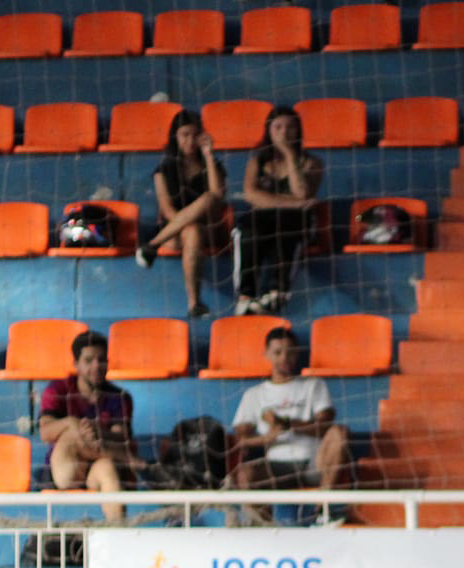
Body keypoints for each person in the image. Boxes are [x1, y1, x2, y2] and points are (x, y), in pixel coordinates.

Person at [228, 327, 349, 493]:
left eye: (289, 352)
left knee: (339, 432)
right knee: (245, 474)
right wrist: (268, 437)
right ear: (266, 354)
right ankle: (263, 520)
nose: (284, 358)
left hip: (314, 462)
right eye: (277, 353)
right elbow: (240, 438)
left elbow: (326, 424)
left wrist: (286, 423)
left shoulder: (313, 385)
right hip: (276, 465)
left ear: (297, 353)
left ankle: (323, 508)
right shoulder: (254, 394)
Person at [135, 110, 227, 318]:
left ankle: (152, 245)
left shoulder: (212, 165)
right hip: (175, 231)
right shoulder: (163, 170)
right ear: (175, 137)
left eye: (195, 134)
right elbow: (167, 210)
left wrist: (209, 155)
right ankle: (195, 303)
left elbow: (218, 195)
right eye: (184, 134)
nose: (190, 140)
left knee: (209, 198)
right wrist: (187, 222)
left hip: (211, 227)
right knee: (192, 230)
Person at [39, 329, 136, 522]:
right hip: (66, 468)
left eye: (101, 360)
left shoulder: (120, 397)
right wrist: (72, 423)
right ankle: (129, 460)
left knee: (108, 468)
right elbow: (45, 432)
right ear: (76, 365)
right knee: (71, 431)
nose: (97, 366)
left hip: (97, 466)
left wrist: (94, 432)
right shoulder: (57, 390)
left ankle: (118, 534)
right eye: (89, 360)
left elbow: (121, 436)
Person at [235, 105, 323, 315]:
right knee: (247, 229)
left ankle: (277, 292)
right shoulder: (257, 162)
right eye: (278, 127)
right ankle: (246, 297)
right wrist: (292, 202)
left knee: (287, 228)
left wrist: (289, 155)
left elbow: (301, 192)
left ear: (299, 131)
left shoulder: (311, 162)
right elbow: (251, 195)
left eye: (290, 127)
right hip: (263, 221)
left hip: (296, 222)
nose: (284, 133)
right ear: (269, 131)